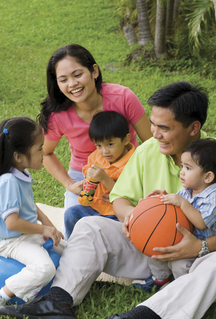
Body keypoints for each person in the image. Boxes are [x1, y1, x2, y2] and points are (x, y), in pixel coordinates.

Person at [0, 82, 216, 319]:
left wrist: (200, 246)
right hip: (149, 252)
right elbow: (121, 199)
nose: (154, 134)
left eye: (165, 128)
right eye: (153, 124)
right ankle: (57, 301)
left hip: (200, 258)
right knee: (90, 227)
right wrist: (131, 217)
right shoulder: (148, 151)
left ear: (193, 128)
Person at [38, 44, 152, 211]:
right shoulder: (58, 114)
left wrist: (139, 183)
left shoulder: (123, 98)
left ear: (94, 71)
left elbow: (152, 143)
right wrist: (70, 185)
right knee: (74, 219)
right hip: (84, 178)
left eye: (78, 74)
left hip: (127, 172)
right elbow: (45, 152)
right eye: (63, 80)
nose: (72, 84)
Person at [0, 117, 64, 319]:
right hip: (11, 241)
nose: (44, 153)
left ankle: (66, 287)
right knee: (45, 268)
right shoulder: (8, 182)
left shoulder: (20, 174)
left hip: (26, 233)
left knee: (67, 249)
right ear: (18, 156)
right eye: (40, 149)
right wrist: (42, 230)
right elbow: (12, 223)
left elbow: (32, 207)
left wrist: (51, 229)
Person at [133, 138, 216, 291]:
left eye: (188, 168)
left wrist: (182, 203)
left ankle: (181, 288)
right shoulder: (188, 189)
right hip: (184, 239)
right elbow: (175, 205)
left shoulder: (214, 198)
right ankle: (160, 279)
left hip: (203, 250)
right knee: (155, 247)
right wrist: (162, 197)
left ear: (208, 177)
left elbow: (201, 222)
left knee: (179, 264)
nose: (182, 172)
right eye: (182, 166)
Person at [64, 111, 134, 240]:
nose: (104, 151)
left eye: (110, 144)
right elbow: (87, 169)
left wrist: (104, 178)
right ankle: (70, 244)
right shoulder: (97, 156)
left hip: (116, 214)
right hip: (95, 207)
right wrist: (88, 176)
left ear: (126, 140)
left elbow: (127, 194)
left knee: (115, 233)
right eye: (99, 145)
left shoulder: (133, 163)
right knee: (71, 213)